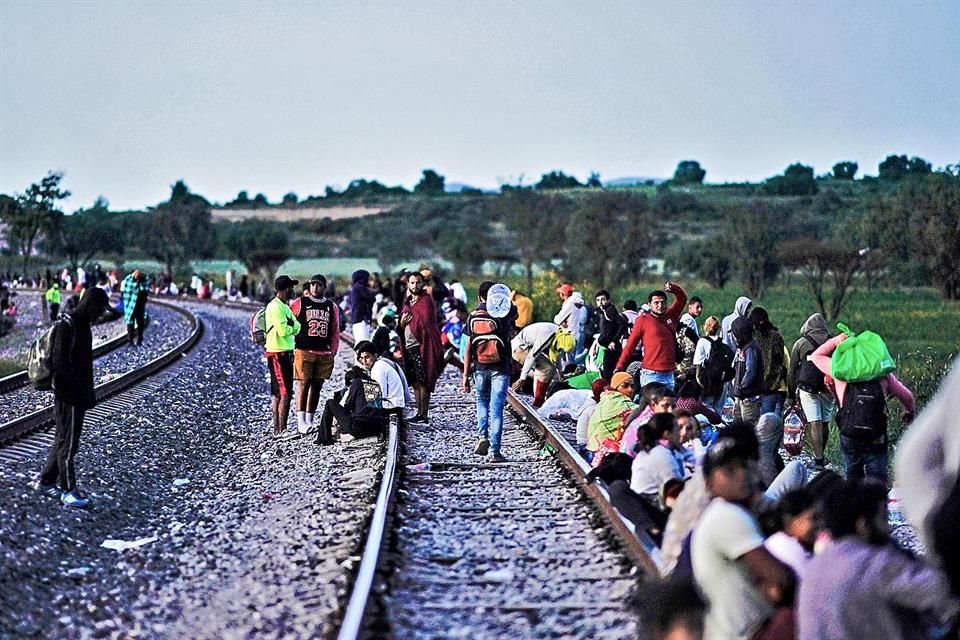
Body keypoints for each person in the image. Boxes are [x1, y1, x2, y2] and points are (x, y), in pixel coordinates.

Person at [798, 478, 958, 640]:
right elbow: (942, 592)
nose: (888, 527)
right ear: (862, 524)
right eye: (883, 517)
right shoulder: (874, 562)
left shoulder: (815, 566)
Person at [691, 421, 796, 640]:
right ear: (709, 484)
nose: (741, 474)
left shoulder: (732, 511)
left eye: (744, 466)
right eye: (729, 470)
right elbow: (781, 579)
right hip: (745, 633)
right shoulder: (726, 515)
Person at [31, 287, 110, 507]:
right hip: (69, 395)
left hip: (76, 393)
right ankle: (68, 490)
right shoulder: (68, 325)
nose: (100, 314)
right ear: (90, 306)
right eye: (99, 309)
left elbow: (83, 365)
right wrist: (76, 391)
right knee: (69, 443)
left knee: (62, 438)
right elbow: (60, 363)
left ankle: (46, 481)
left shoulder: (82, 325)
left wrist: (87, 394)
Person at [809, 332, 915, 483]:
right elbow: (907, 396)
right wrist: (910, 412)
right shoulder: (882, 375)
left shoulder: (840, 370)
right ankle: (876, 496)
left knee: (852, 476)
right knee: (877, 478)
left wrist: (836, 340)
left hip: (849, 432)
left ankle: (854, 496)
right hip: (875, 433)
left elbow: (816, 356)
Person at [462, 281, 513, 463]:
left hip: (479, 367)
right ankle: (495, 452)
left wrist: (465, 375)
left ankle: (483, 436)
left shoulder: (473, 316)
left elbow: (468, 348)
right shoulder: (505, 313)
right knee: (497, 409)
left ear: (479, 297)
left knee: (481, 401)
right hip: (501, 367)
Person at [289, 274, 340, 435]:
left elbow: (335, 331)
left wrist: (333, 351)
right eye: (312, 284)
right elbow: (287, 320)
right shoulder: (300, 303)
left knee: (317, 386)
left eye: (318, 285)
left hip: (323, 351)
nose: (315, 288)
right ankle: (301, 421)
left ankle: (310, 420)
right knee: (303, 384)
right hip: (304, 350)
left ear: (324, 287)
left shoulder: (331, 306)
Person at [615, 282, 687, 389]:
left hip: (669, 374)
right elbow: (630, 345)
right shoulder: (642, 320)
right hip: (651, 374)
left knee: (668, 400)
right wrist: (620, 366)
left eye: (663, 302)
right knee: (650, 400)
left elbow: (682, 299)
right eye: (656, 303)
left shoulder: (670, 316)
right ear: (649, 305)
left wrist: (673, 288)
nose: (660, 306)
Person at [788, 313, 833, 467]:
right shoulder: (833, 342)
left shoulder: (801, 343)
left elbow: (792, 371)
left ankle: (818, 458)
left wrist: (791, 395)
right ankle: (822, 454)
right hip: (828, 388)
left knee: (815, 422)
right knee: (825, 422)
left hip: (808, 389)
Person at [399, 271, 443, 423]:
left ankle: (423, 414)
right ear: (408, 284)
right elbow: (402, 324)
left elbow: (427, 324)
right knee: (415, 381)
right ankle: (418, 412)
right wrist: (402, 324)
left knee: (424, 380)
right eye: (412, 282)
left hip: (422, 347)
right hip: (409, 346)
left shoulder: (426, 301)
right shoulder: (408, 302)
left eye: (418, 282)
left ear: (423, 284)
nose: (415, 285)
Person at [315, 363, 387, 445]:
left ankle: (324, 439)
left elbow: (348, 405)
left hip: (359, 427)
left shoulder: (357, 382)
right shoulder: (375, 383)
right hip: (376, 428)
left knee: (330, 403)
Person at [265, 275, 301, 438]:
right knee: (284, 393)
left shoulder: (284, 307)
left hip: (285, 352)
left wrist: (292, 326)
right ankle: (281, 430)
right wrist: (292, 326)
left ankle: (278, 430)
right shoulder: (276, 307)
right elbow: (284, 330)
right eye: (291, 287)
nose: (293, 290)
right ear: (286, 289)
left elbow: (298, 326)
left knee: (280, 393)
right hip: (277, 354)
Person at [510, 322, 571, 408]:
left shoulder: (560, 334)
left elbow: (557, 356)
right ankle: (537, 402)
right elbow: (531, 357)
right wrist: (522, 378)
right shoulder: (547, 336)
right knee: (546, 369)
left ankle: (538, 396)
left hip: (527, 347)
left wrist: (560, 372)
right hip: (519, 348)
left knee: (551, 370)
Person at [763, 488, 818, 581]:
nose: (820, 524)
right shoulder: (784, 547)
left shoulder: (781, 541)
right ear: (791, 521)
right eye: (814, 518)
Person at [749, 307, 788, 418]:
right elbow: (781, 358)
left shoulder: (753, 337)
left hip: (755, 385)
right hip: (772, 385)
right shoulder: (776, 336)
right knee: (768, 419)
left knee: (755, 419)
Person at [355, 340, 407, 423]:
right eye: (361, 358)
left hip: (392, 407)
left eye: (367, 357)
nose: (364, 362)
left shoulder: (378, 368)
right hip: (393, 404)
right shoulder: (379, 364)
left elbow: (379, 396)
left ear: (375, 355)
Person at [730, 316, 764, 426]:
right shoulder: (743, 347)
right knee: (738, 427)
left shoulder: (751, 348)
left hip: (749, 398)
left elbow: (750, 372)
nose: (734, 338)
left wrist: (741, 386)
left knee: (749, 427)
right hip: (741, 397)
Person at [694, 316, 730, 416]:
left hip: (708, 380)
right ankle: (718, 424)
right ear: (719, 328)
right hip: (721, 381)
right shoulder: (723, 342)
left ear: (705, 327)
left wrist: (698, 379)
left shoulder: (702, 341)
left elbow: (698, 362)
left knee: (707, 407)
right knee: (718, 409)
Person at [595, 289, 627, 382]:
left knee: (608, 376)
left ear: (608, 300)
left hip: (612, 349)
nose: (600, 302)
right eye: (598, 300)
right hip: (608, 347)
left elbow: (623, 324)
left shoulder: (610, 310)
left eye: (603, 299)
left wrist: (614, 341)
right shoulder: (603, 311)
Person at [121, 270, 149, 346]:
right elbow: (125, 292)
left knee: (140, 322)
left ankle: (139, 338)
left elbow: (145, 291)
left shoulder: (144, 280)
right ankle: (130, 340)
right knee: (130, 322)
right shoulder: (128, 280)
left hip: (139, 305)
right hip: (130, 304)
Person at [349, 269, 376, 341]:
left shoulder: (355, 287)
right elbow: (372, 298)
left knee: (359, 341)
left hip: (357, 318)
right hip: (361, 319)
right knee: (363, 341)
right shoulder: (360, 287)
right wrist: (371, 287)